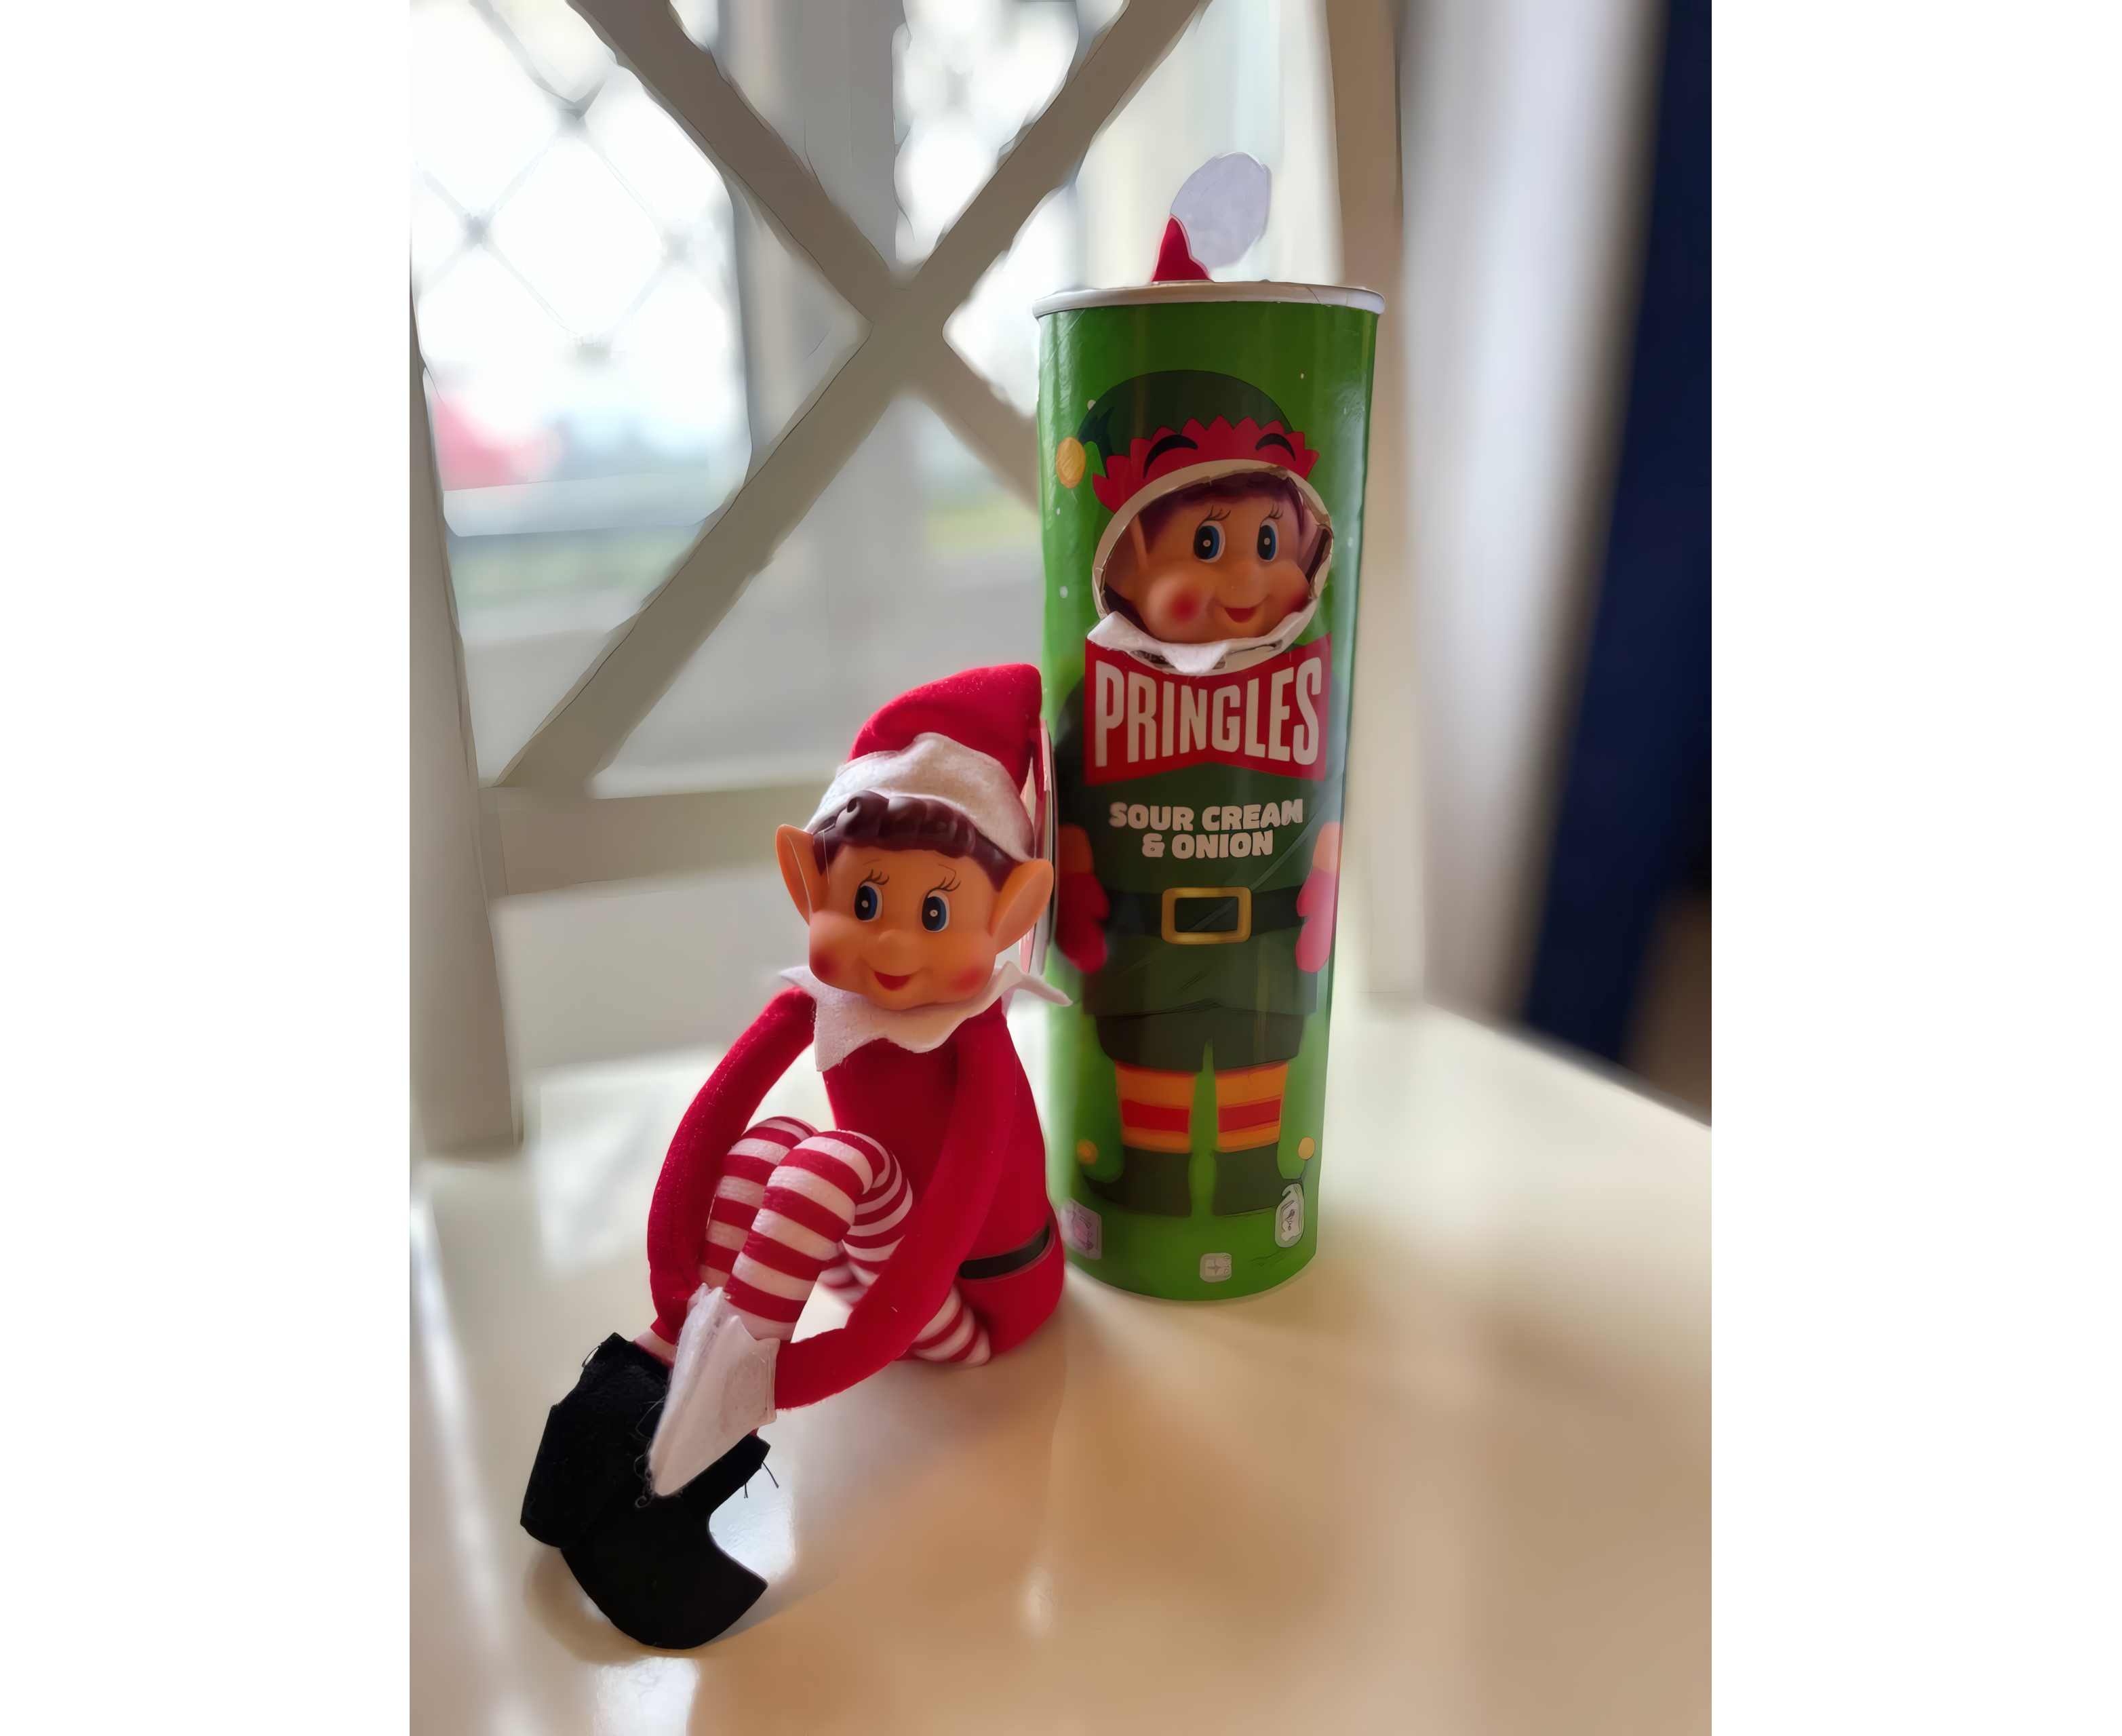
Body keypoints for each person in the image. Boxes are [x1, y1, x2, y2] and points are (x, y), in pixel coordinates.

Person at [521, 665, 1063, 1649]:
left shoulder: (976, 1037)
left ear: (1012, 913)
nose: (890, 944)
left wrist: (806, 1373)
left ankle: (717, 1404)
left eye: (933, 914)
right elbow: (710, 1131)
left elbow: (955, 1209)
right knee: (777, 1142)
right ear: (807, 882)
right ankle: (673, 1363)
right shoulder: (822, 1001)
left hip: (980, 1304)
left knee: (832, 1161)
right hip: (879, 1275)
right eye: (864, 899)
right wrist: (678, 1291)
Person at [1050, 371, 1343, 1226]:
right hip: (1144, 935)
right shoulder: (1100, 691)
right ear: (1125, 560)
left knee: (1259, 1060)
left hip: (1266, 935)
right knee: (1154, 1056)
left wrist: (1326, 878)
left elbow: (1329, 795)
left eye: (1270, 542)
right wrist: (1076, 878)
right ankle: (1153, 1184)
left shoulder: (1308, 683)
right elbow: (1072, 796)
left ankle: (1253, 1183)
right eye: (1207, 544)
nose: (1249, 577)